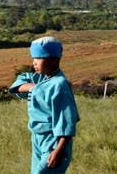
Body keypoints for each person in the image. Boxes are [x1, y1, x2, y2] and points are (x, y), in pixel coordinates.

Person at [9, 35, 81, 174]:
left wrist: (58, 151)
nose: (34, 63)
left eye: (39, 58)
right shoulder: (42, 78)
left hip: (53, 141)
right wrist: (36, 88)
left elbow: (67, 123)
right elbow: (17, 85)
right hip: (37, 139)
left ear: (54, 59)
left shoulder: (59, 85)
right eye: (33, 58)